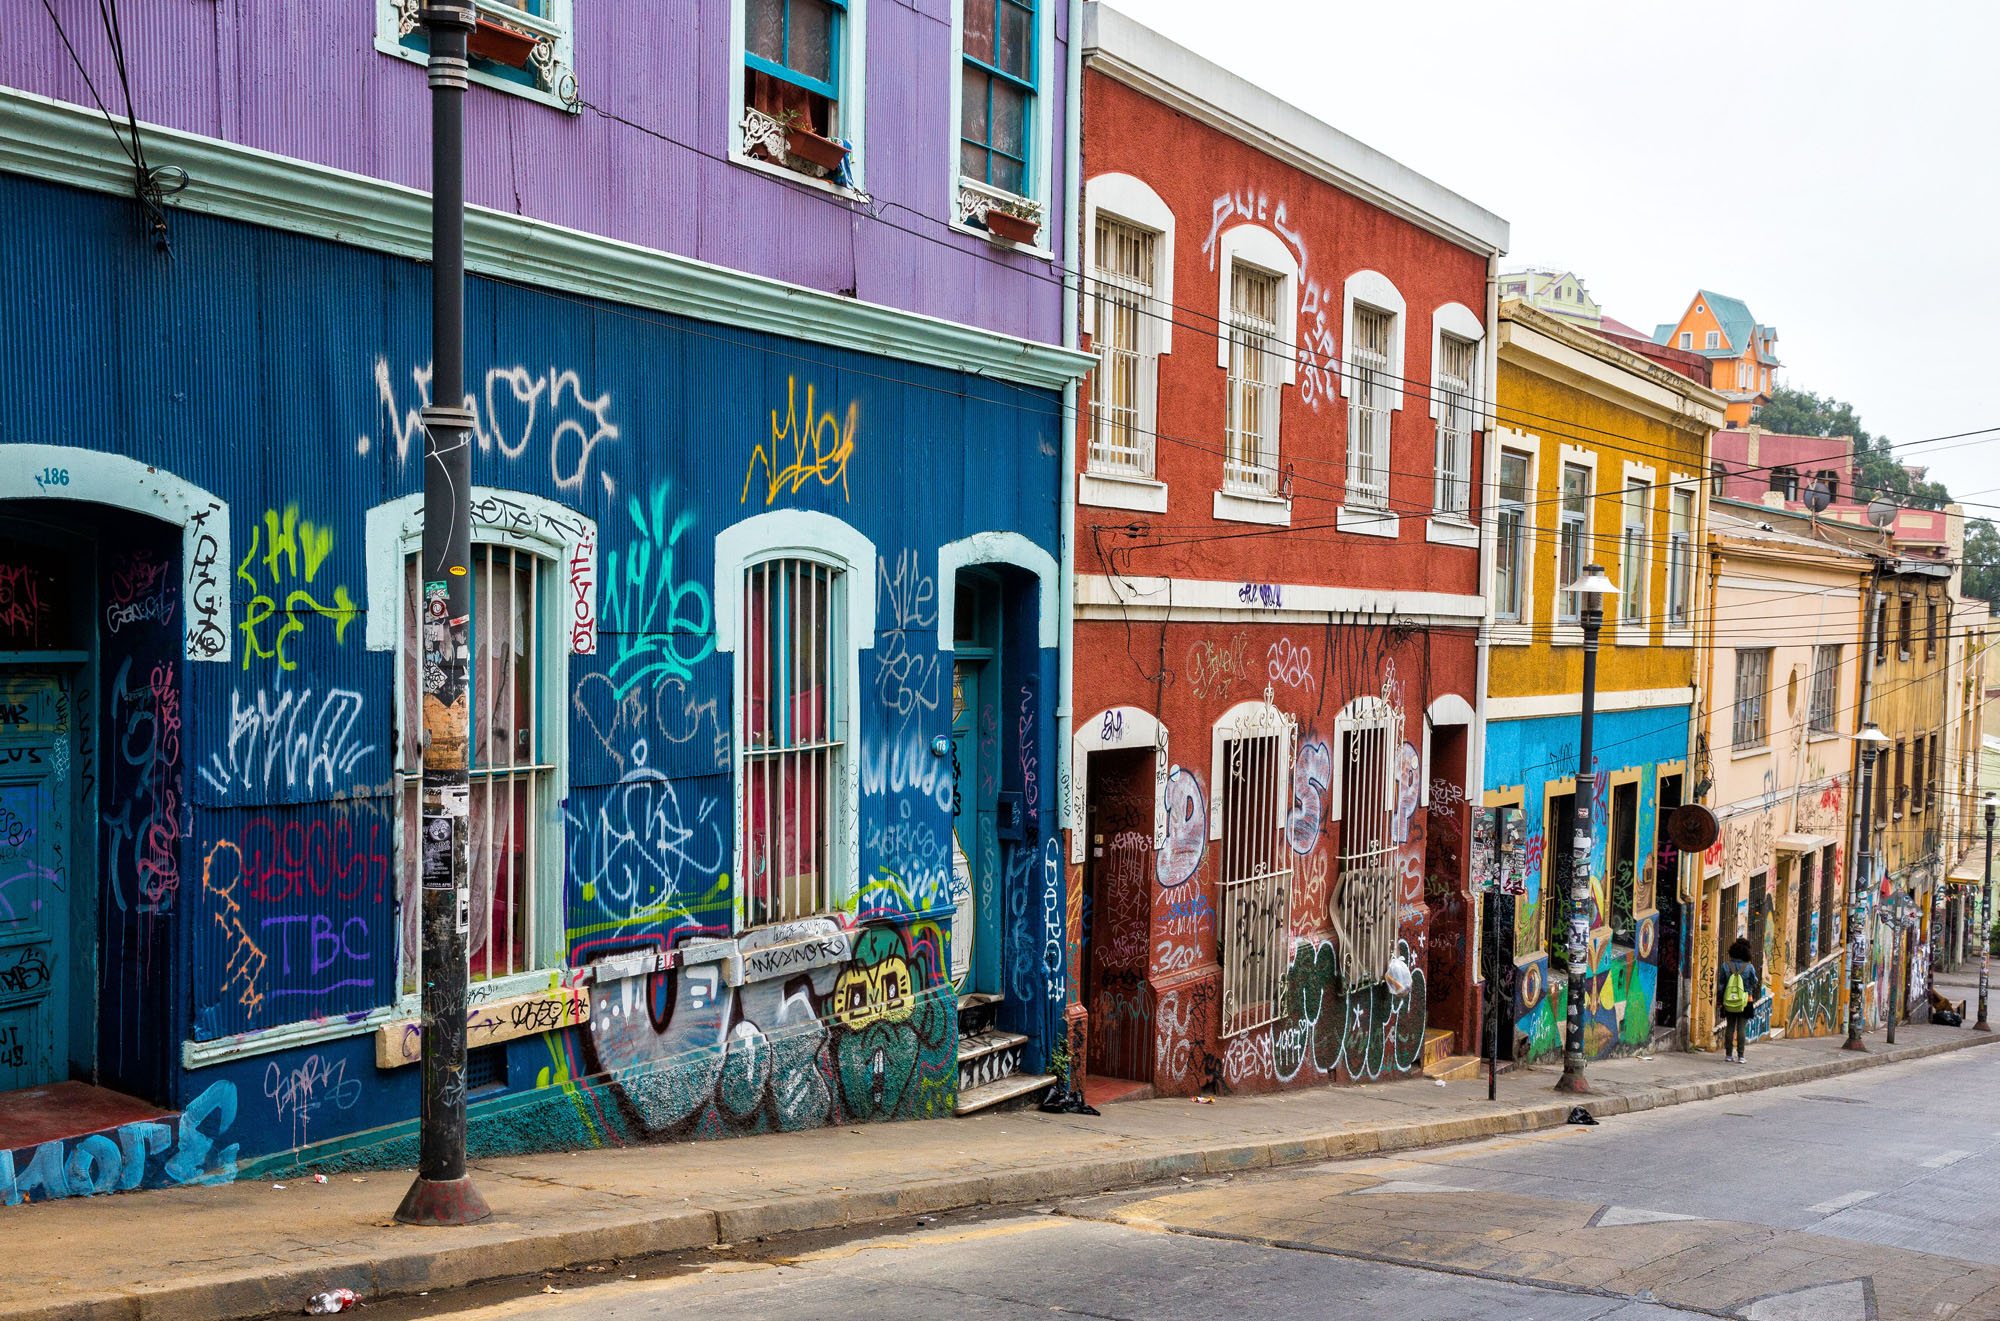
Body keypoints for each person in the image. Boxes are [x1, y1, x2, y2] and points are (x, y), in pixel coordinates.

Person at [1717, 937, 1762, 1064]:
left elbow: (1721, 985)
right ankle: (1741, 1056)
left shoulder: (1726, 965)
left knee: (1730, 1027)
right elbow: (1754, 982)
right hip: (1745, 1000)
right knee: (1742, 1028)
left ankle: (1728, 1055)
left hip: (1729, 1000)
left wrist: (1720, 1001)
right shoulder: (1749, 967)